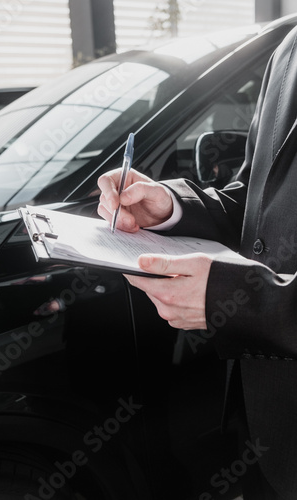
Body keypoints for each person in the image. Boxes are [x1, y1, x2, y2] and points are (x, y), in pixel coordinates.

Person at [97, 25, 297, 500]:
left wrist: (242, 300)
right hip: (266, 428)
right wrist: (169, 206)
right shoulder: (289, 46)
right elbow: (254, 200)